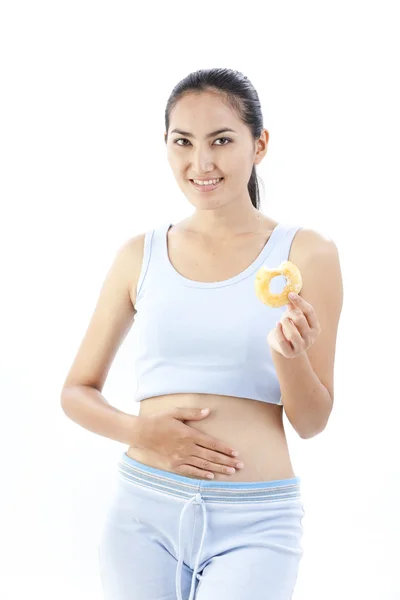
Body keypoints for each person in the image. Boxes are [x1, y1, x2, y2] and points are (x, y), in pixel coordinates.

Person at [61, 67, 343, 600]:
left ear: (259, 144)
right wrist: (141, 432)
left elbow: (312, 422)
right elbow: (76, 391)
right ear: (166, 147)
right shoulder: (137, 256)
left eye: (221, 140)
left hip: (256, 522)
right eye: (182, 143)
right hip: (143, 512)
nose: (201, 163)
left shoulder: (307, 254)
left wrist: (289, 356)